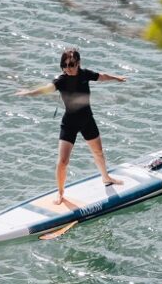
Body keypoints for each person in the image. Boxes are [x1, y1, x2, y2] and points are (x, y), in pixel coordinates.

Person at [16, 47, 126, 204]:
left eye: (71, 64)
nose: (68, 68)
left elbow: (101, 76)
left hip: (87, 120)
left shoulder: (85, 74)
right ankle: (60, 193)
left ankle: (106, 178)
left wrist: (116, 78)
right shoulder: (61, 80)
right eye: (64, 65)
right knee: (62, 161)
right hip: (70, 123)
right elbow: (46, 89)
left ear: (78, 63)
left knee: (99, 152)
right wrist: (28, 92)